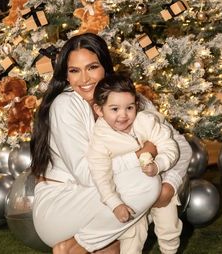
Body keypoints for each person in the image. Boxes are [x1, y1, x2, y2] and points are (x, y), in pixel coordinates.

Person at [30, 32, 192, 254]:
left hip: (106, 201)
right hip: (63, 206)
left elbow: (180, 146)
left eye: (92, 67)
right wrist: (141, 155)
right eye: (74, 71)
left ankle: (99, 243)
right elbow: (87, 175)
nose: (84, 79)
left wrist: (170, 184)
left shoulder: (129, 100)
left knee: (150, 189)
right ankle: (78, 247)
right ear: (66, 76)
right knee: (146, 184)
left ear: (105, 67)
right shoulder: (65, 104)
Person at [87, 74, 179, 226]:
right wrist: (115, 203)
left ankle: (170, 249)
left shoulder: (145, 122)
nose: (123, 115)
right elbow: (100, 175)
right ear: (99, 110)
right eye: (115, 109)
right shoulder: (100, 140)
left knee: (169, 227)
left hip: (159, 182)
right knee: (134, 235)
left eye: (129, 107)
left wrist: (158, 165)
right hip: (130, 194)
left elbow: (169, 146)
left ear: (136, 104)